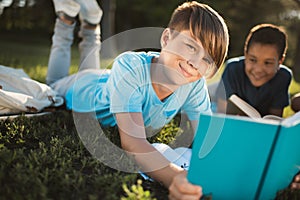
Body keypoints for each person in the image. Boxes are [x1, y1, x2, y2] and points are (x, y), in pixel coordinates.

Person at [47, 1, 229, 199]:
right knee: (52, 84)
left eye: (207, 60)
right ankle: (66, 19)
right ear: (167, 38)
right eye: (190, 46)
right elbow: (133, 142)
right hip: (82, 87)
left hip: (113, 82)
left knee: (95, 66)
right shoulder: (130, 66)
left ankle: (91, 24)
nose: (195, 63)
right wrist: (173, 176)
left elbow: (206, 136)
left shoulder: (194, 84)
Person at [215, 23, 292, 117]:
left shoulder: (283, 77)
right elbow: (221, 115)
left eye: (268, 63)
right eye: (252, 60)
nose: (258, 69)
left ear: (280, 61)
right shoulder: (232, 69)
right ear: (245, 54)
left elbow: (274, 119)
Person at [46, 0, 103, 85]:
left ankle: (67, 15)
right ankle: (90, 20)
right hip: (92, 88)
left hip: (60, 91)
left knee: (55, 86)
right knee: (91, 83)